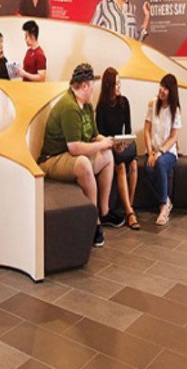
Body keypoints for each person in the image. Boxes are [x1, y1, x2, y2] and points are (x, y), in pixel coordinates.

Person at [38, 63, 117, 247]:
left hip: (69, 154)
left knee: (107, 156)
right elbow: (74, 148)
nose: (94, 89)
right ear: (84, 86)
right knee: (83, 163)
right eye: (92, 85)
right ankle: (94, 222)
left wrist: (110, 142)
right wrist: (100, 145)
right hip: (53, 158)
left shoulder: (87, 106)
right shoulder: (69, 107)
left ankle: (104, 210)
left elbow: (94, 136)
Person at [96, 67, 140, 230]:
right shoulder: (101, 107)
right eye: (116, 84)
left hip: (123, 143)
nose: (119, 87)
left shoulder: (124, 102)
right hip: (110, 146)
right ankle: (129, 212)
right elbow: (100, 134)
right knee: (120, 166)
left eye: (120, 83)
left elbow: (127, 129)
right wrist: (115, 145)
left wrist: (125, 142)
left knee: (134, 164)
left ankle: (130, 206)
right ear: (109, 86)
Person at [144, 73, 182, 225]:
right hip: (153, 150)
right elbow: (146, 130)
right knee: (148, 169)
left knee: (159, 163)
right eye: (161, 86)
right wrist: (150, 153)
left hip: (168, 153)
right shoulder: (152, 103)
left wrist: (160, 152)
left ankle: (163, 208)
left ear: (171, 92)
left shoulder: (175, 110)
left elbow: (173, 137)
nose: (162, 90)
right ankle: (167, 199)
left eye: (166, 88)